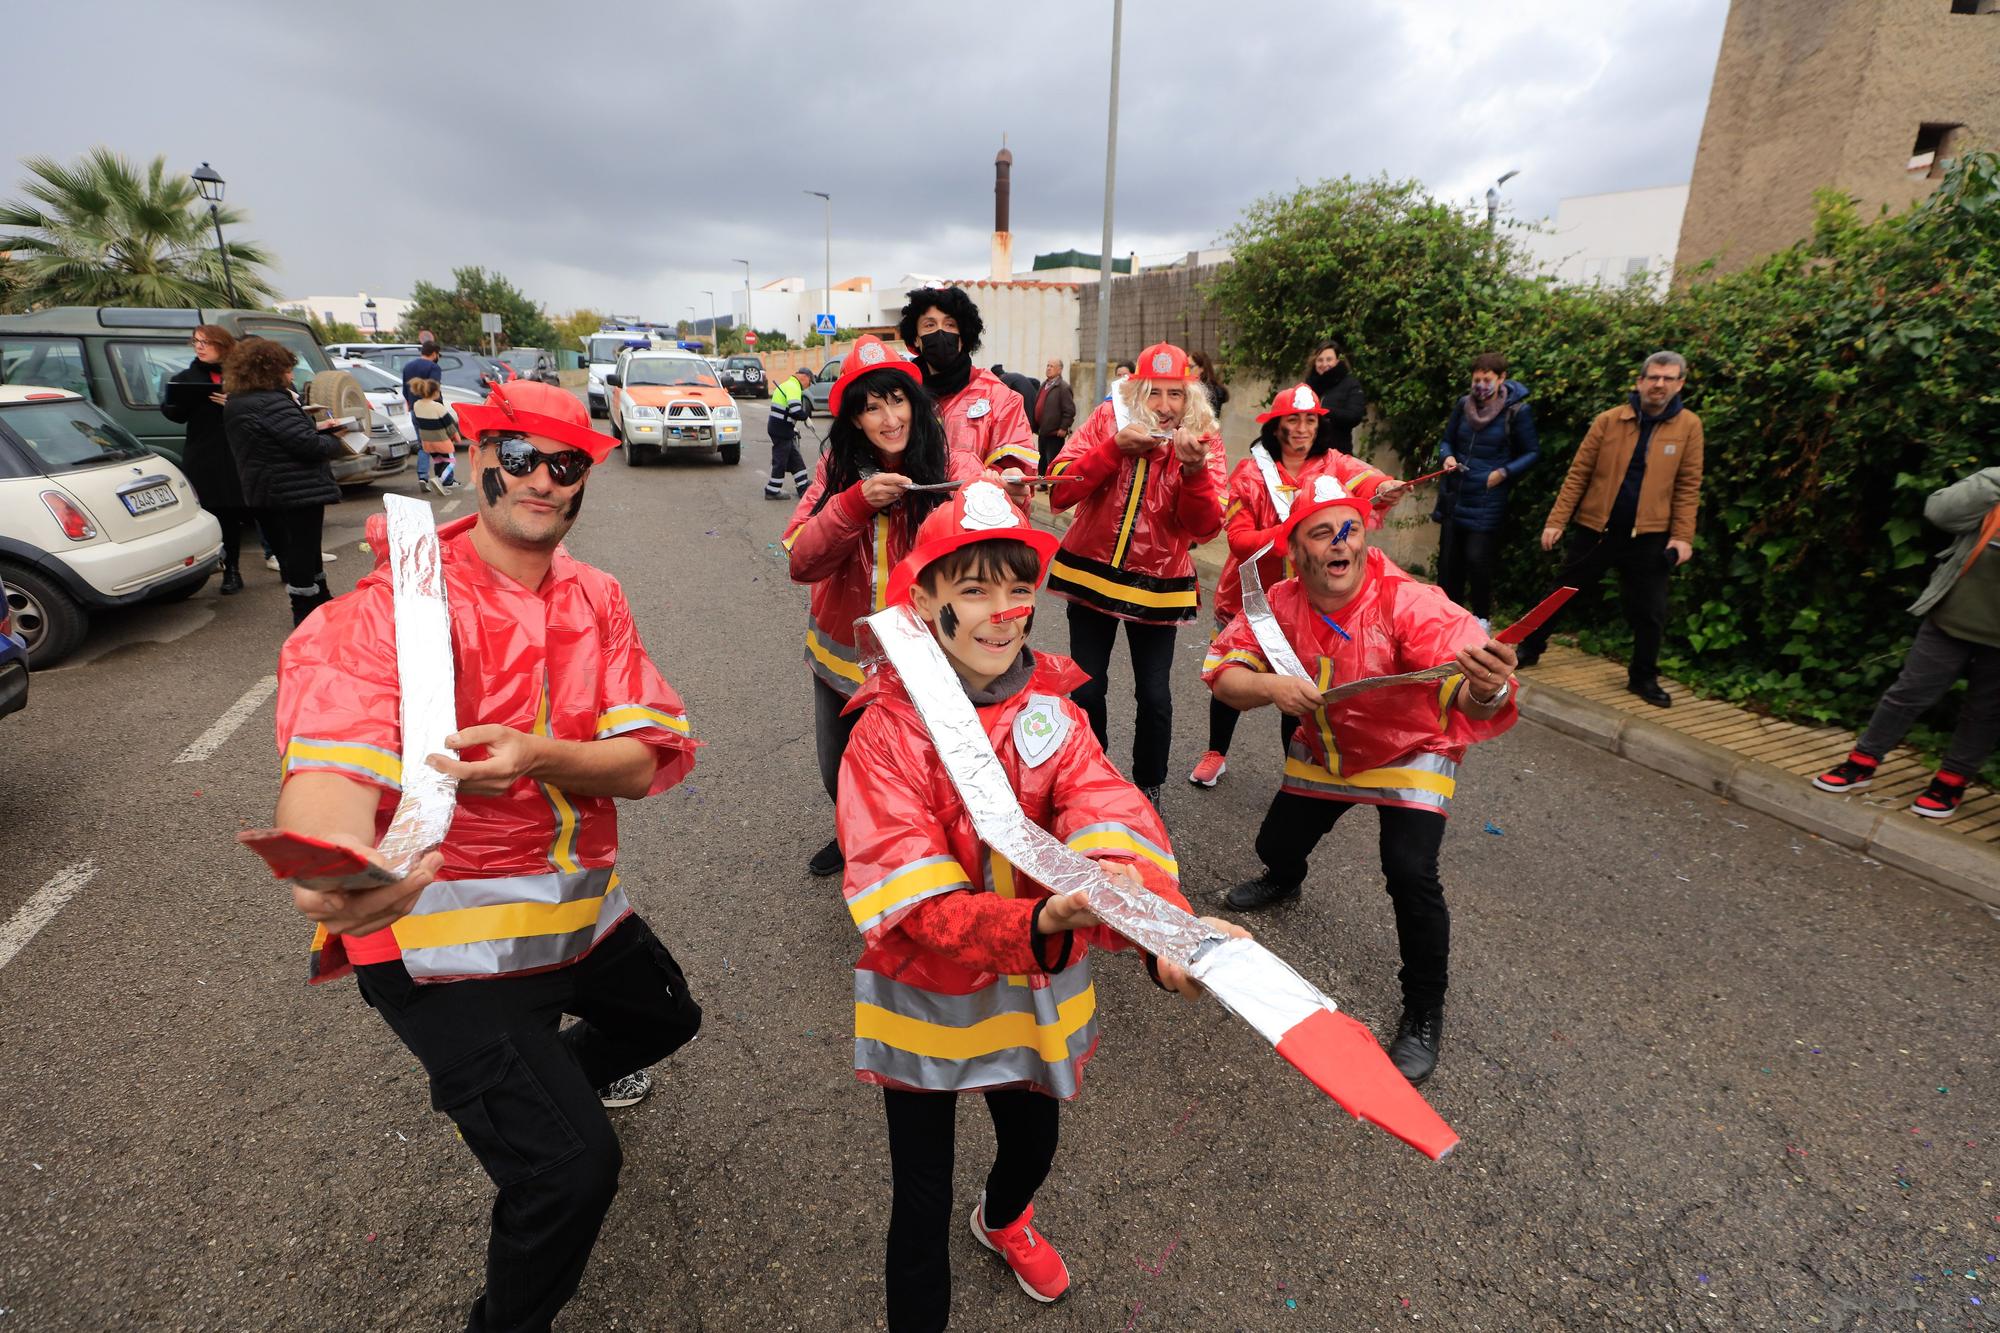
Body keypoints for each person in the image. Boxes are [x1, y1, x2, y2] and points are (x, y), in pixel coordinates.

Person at [271, 378, 703, 1329]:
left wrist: (539, 754)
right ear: (477, 459)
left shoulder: (599, 596)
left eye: (565, 464)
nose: (540, 481)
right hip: (436, 942)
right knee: (572, 1171)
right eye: (518, 457)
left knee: (671, 1017)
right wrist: (331, 855)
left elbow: (642, 762)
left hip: (574, 916)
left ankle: (556, 1084)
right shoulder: (402, 605)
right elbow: (334, 745)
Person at [837, 478, 1249, 1331]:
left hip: (1033, 986)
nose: (1002, 612)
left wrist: (1163, 927)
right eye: (974, 589)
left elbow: (1105, 810)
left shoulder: (1055, 711)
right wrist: (1036, 922)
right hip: (928, 994)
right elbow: (910, 899)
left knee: (1032, 1144)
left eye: (1019, 587)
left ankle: (1005, 1216)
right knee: (918, 1201)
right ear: (924, 600)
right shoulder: (885, 731)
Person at [1204, 473, 1519, 1084]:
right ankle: (1285, 877)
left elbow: (1476, 697)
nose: (1339, 544)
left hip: (1412, 749)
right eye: (1322, 534)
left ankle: (1424, 1011)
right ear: (1295, 551)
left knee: (1409, 871)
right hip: (1327, 750)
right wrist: (1270, 686)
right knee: (1275, 846)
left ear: (1364, 538)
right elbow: (1223, 677)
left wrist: (1490, 685)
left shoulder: (1408, 600)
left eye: (1349, 530)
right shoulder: (1279, 608)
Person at [784, 335, 982, 877]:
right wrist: (852, 504)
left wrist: (997, 498)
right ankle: (851, 834)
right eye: (871, 407)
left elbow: (1000, 554)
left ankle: (916, 861)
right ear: (853, 420)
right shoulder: (836, 473)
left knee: (925, 770)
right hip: (843, 659)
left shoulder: (959, 463)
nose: (888, 418)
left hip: (927, 661)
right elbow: (801, 561)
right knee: (836, 770)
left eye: (896, 400)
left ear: (915, 404)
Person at [1187, 382, 1416, 788]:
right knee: (1230, 677)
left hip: (1309, 607)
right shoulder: (1251, 472)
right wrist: (1291, 533)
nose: (1302, 428)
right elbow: (1239, 542)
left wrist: (1385, 488)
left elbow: (1368, 481)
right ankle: (1215, 753)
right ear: (1276, 426)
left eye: (1310, 420)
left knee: (1297, 693)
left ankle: (1294, 768)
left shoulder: (1333, 464)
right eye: (1293, 419)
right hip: (1250, 601)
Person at [1046, 342, 1228, 807]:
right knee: (1087, 687)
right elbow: (1060, 489)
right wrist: (1112, 450)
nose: (1166, 407)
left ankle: (1150, 785)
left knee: (1155, 697)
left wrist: (1194, 472)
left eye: (1176, 394)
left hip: (1160, 586)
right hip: (1091, 574)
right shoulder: (1109, 421)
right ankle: (1092, 775)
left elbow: (1205, 528)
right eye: (1154, 393)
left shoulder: (1205, 436)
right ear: (1136, 393)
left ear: (1191, 397)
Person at [1516, 351, 1704, 708]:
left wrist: (1682, 536)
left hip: (1650, 536)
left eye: (1668, 378)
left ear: (1680, 384)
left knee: (1650, 610)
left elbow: (1688, 484)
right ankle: (1528, 648)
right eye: (1653, 377)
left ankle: (1643, 677)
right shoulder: (1609, 421)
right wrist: (1557, 520)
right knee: (1561, 591)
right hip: (1597, 529)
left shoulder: (1689, 427)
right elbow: (1579, 473)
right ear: (1640, 381)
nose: (1659, 384)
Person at [1813, 465, 2000, 819]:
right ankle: (1862, 761)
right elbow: (1940, 513)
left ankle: (1951, 781)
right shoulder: (1993, 482)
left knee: (1985, 713)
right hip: (1952, 615)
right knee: (1909, 692)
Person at [222, 338, 343, 626]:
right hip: (295, 490)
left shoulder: (238, 402)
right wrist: (333, 439)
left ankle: (320, 602)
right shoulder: (273, 402)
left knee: (298, 551)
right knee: (303, 553)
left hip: (267, 489)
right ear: (270, 370)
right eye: (287, 370)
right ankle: (306, 611)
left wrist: (311, 426)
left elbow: (276, 438)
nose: (291, 376)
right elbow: (307, 447)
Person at [1433, 352, 1540, 623]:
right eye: (1476, 379)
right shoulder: (1463, 405)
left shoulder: (1517, 411)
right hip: (1455, 495)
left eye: (1487, 379)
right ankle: (1447, 619)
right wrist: (1447, 456)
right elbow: (1446, 440)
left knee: (1477, 562)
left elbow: (1532, 453)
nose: (1480, 385)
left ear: (1502, 378)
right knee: (1448, 565)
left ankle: (1481, 620)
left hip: (1486, 499)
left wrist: (1503, 473)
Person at [898, 286, 1037, 474]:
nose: (940, 333)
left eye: (950, 325)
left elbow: (1014, 474)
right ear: (916, 338)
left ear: (963, 337)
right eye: (929, 325)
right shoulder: (899, 397)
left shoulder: (999, 398)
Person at [161, 325, 249, 595]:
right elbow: (174, 415)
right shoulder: (185, 377)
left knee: (237, 513)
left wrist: (235, 403)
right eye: (196, 342)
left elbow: (262, 408)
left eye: (206, 342)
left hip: (238, 453)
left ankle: (261, 563)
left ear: (223, 345)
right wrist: (176, 402)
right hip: (204, 456)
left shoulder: (242, 376)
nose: (199, 347)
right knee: (213, 512)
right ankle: (226, 569)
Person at [1304, 339, 1367, 455]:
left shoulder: (1350, 384)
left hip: (1338, 452)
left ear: (1337, 360)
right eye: (1320, 360)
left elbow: (1355, 416)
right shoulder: (1307, 387)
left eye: (1329, 359)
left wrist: (1324, 411)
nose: (1324, 364)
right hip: (1309, 453)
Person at [765, 365, 815, 500]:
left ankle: (803, 487)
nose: (808, 386)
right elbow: (795, 410)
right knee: (780, 460)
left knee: (795, 459)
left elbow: (785, 411)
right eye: (810, 382)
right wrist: (806, 418)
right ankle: (772, 490)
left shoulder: (787, 385)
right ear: (804, 377)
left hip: (783, 428)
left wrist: (792, 426)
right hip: (781, 430)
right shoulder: (794, 387)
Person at [401, 341, 444, 487]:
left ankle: (422, 477)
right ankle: (444, 478)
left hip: (415, 409)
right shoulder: (434, 367)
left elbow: (405, 390)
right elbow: (434, 389)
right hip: (431, 410)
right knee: (440, 443)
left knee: (423, 443)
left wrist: (410, 404)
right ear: (434, 353)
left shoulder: (408, 367)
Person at [408, 377, 462, 494]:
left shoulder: (417, 405)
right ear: (434, 392)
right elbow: (449, 425)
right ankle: (440, 480)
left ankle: (440, 484)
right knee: (450, 461)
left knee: (438, 460)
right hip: (441, 440)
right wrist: (457, 437)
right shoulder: (438, 407)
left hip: (427, 441)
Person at [1031, 356, 1075, 475]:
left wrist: (1064, 427)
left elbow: (1069, 410)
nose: (1048, 368)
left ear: (1060, 370)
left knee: (1053, 460)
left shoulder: (1063, 387)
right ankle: (1043, 482)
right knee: (1042, 459)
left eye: (1052, 366)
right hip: (1043, 431)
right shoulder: (1044, 385)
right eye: (1047, 365)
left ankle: (1053, 484)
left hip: (1055, 432)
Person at [1189, 349, 1230, 423]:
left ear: (1202, 368)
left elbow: (1209, 419)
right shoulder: (1192, 386)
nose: (1187, 371)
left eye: (1190, 367)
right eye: (1185, 367)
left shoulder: (1212, 391)